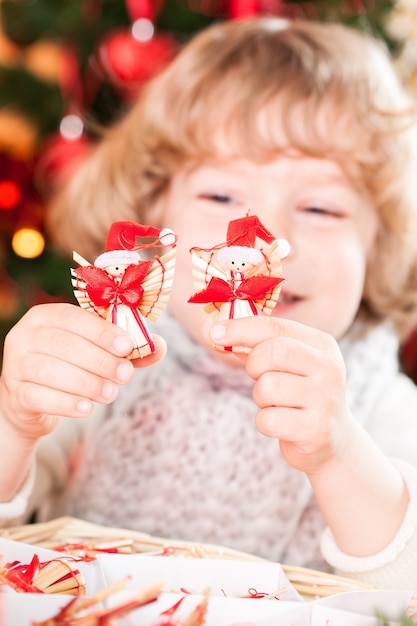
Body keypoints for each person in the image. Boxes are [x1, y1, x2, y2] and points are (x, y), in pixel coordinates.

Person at [1, 16, 417, 591]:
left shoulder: (380, 401)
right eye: (221, 194)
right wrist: (15, 421)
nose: (262, 237)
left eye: (322, 208)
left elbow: (406, 580)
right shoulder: (115, 355)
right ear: (155, 218)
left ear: (381, 243)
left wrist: (337, 451)